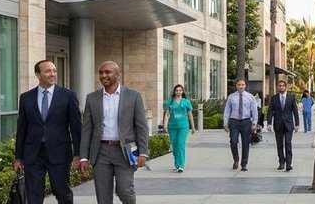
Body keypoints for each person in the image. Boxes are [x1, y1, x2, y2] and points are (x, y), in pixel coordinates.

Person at [79, 61, 149, 204]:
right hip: (100, 152)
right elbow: (87, 129)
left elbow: (141, 126)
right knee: (103, 196)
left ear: (117, 74)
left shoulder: (133, 96)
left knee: (125, 191)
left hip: (125, 151)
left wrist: (143, 152)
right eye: (101, 72)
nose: (103, 75)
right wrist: (84, 157)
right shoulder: (92, 98)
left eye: (107, 72)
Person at [14, 59, 81, 204]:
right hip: (33, 154)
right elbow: (22, 128)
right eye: (48, 71)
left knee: (62, 192)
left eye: (54, 71)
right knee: (33, 195)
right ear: (38, 74)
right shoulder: (26, 98)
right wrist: (18, 157)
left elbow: (76, 127)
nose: (53, 74)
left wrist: (78, 154)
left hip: (59, 153)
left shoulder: (68, 96)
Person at [223, 79, 259, 171]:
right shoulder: (231, 97)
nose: (241, 86)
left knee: (245, 143)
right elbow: (227, 110)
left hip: (246, 122)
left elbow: (254, 110)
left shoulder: (250, 97)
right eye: (239, 84)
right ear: (236, 86)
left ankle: (244, 163)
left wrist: (254, 123)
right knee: (233, 141)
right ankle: (236, 159)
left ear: (245, 86)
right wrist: (225, 123)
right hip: (234, 122)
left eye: (243, 84)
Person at [162, 84, 195, 173]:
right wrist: (165, 125)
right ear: (174, 92)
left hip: (183, 126)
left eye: (180, 90)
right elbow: (167, 114)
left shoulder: (186, 102)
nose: (178, 92)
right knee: (175, 146)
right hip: (172, 126)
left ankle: (181, 165)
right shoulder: (170, 102)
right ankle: (177, 164)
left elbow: (190, 114)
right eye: (177, 90)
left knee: (180, 144)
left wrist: (193, 126)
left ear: (182, 92)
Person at [268, 80, 300, 171]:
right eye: (279, 85)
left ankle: (289, 164)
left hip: (289, 125)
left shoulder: (291, 98)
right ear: (277, 87)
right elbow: (270, 111)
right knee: (279, 145)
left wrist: (297, 124)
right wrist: (269, 123)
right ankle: (281, 162)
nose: (281, 87)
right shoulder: (274, 98)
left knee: (288, 144)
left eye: (283, 86)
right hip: (278, 125)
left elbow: (295, 111)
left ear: (285, 87)